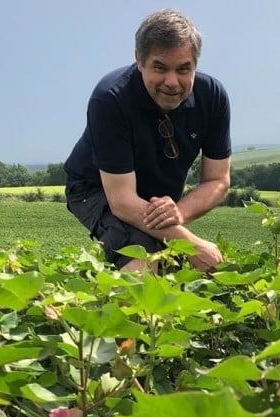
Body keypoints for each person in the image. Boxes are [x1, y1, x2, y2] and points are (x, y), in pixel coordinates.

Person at [63, 9, 231, 272]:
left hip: (156, 197)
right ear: (139, 60)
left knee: (177, 263)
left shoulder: (213, 97)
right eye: (160, 68)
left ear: (195, 65)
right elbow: (122, 202)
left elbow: (218, 180)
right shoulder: (110, 99)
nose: (172, 82)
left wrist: (179, 213)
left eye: (184, 69)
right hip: (96, 188)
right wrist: (191, 244)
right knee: (143, 257)